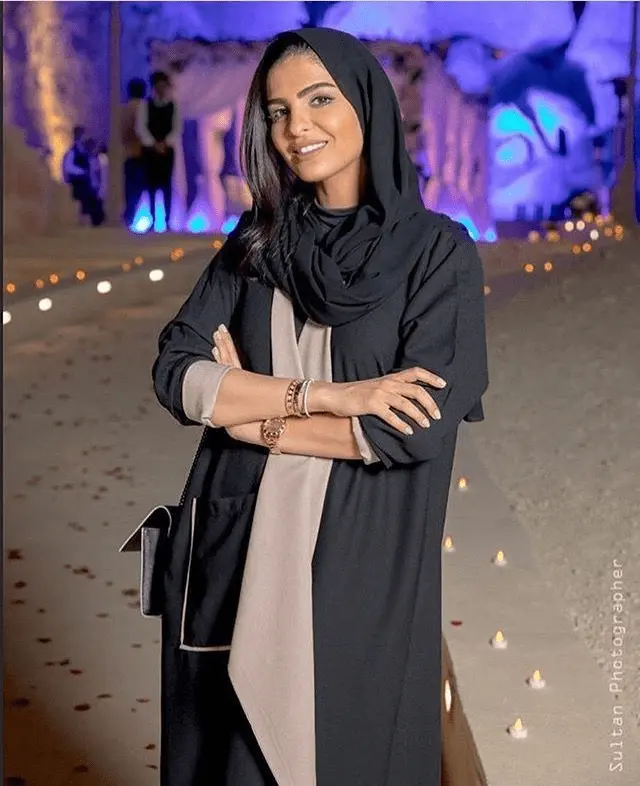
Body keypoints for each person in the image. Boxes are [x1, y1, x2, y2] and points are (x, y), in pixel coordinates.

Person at [151, 28, 488, 786]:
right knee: (239, 758)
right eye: (277, 111)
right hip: (243, 544)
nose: (296, 127)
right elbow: (177, 373)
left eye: (318, 99)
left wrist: (250, 419)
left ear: (367, 103)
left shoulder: (436, 253)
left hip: (364, 551)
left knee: (347, 749)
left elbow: (413, 428)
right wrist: (327, 398)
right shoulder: (257, 244)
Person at [136, 71, 182, 230]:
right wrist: (153, 144)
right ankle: (152, 220)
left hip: (167, 151)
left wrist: (165, 143)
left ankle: (167, 221)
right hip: (150, 151)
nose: (161, 89)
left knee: (166, 186)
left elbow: (176, 128)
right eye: (158, 86)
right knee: (151, 185)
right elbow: (141, 127)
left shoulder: (173, 106)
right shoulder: (145, 105)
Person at [62, 126, 103, 226]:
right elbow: (68, 166)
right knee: (83, 206)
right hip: (79, 184)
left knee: (92, 206)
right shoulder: (73, 151)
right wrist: (82, 171)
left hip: (87, 184)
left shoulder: (84, 151)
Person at [121, 77, 147, 227]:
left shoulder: (123, 108)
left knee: (129, 187)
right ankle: (130, 216)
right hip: (140, 152)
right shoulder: (142, 108)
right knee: (138, 187)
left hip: (127, 153)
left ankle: (128, 216)